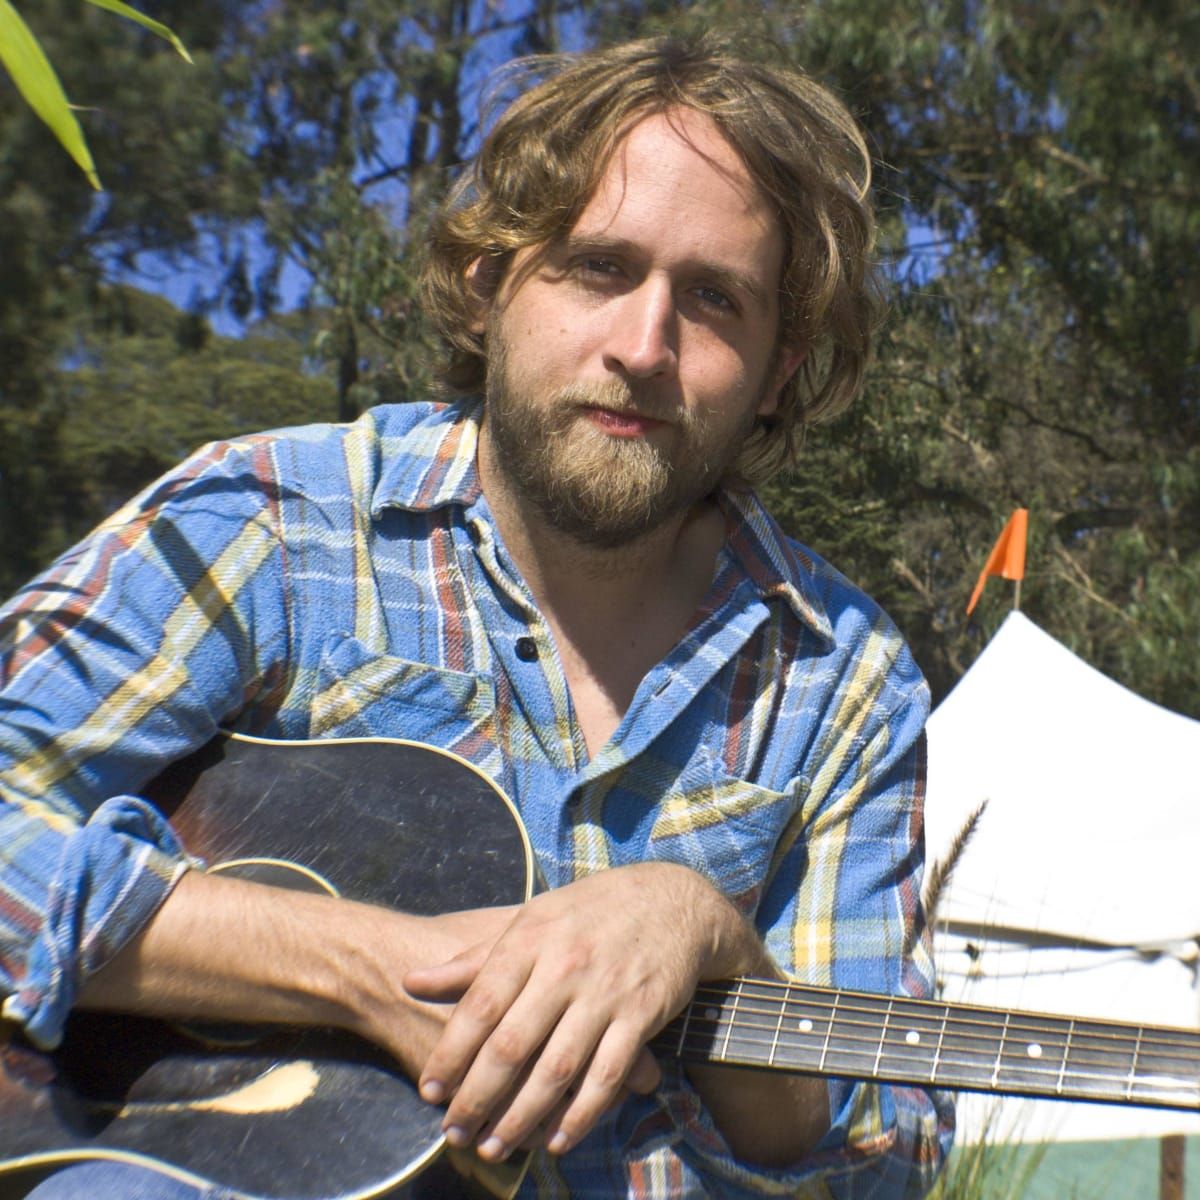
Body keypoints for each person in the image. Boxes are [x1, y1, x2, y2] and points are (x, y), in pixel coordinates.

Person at [0, 35, 954, 1200]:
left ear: (777, 363)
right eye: (600, 266)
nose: (643, 348)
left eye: (714, 300)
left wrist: (709, 935)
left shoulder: (843, 682)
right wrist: (364, 969)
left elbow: (883, 1153)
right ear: (493, 280)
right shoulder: (275, 523)